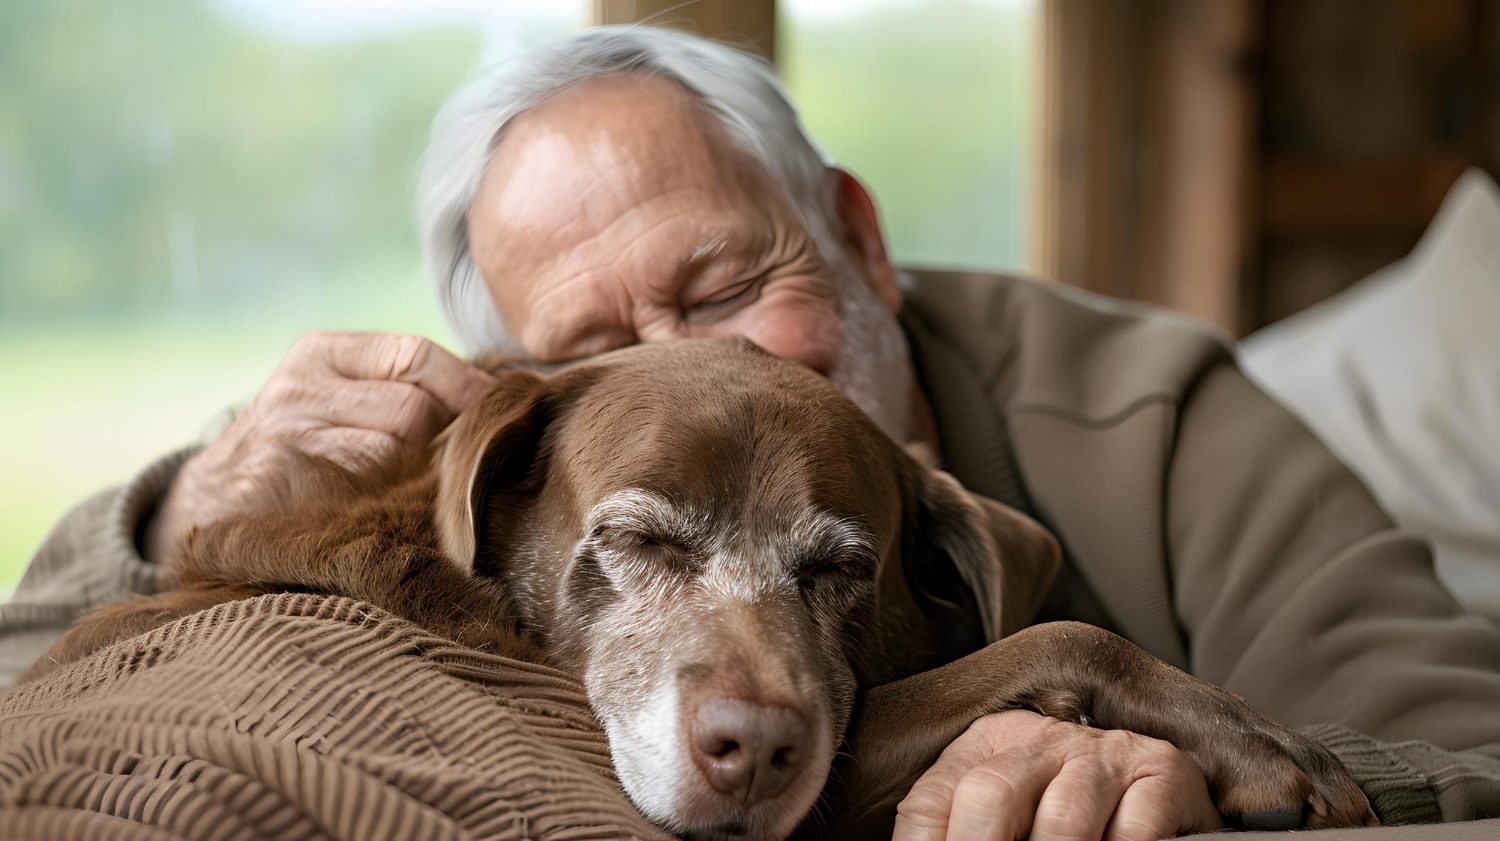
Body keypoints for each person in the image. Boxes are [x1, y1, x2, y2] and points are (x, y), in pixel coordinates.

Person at [5, 25, 1500, 841]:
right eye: (594, 346)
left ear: (856, 234)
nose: (690, 374)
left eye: (725, 285)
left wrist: (1181, 782)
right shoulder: (495, 444)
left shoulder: (1161, 415)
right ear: (515, 388)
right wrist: (164, 508)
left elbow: (1469, 760)